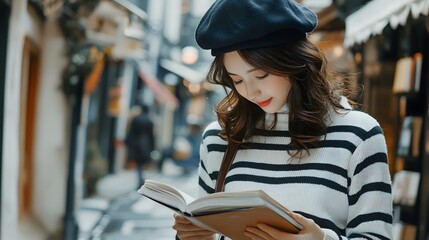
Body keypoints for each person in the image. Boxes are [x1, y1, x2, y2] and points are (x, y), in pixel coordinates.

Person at [172, 0, 393, 240]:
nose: (250, 92)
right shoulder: (220, 137)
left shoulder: (358, 135)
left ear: (294, 62)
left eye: (261, 75)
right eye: (237, 80)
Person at [125, 104, 155, 189]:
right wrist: (153, 147)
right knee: (141, 163)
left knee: (138, 163)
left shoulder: (136, 119)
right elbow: (151, 136)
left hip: (136, 144)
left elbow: (131, 132)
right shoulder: (150, 121)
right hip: (146, 145)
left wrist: (128, 142)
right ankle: (140, 180)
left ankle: (140, 180)